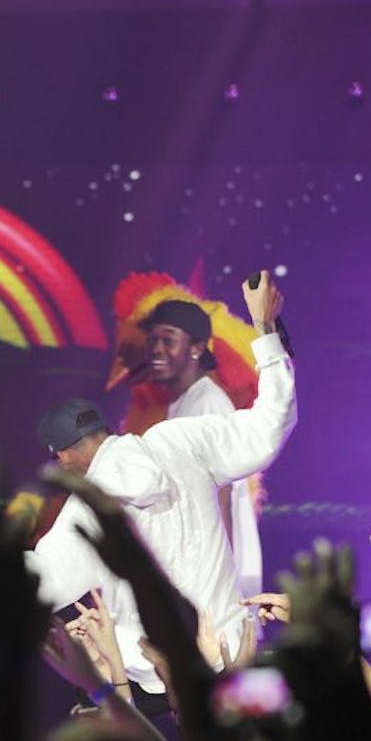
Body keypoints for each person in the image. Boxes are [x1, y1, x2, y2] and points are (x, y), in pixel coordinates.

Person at [26, 271, 294, 701]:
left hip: (161, 679)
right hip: (231, 652)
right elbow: (269, 426)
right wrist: (265, 332)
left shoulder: (94, 505)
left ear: (64, 456)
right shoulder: (180, 439)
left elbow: (43, 581)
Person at [142, 298, 264, 598]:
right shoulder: (183, 402)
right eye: (153, 340)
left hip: (213, 576)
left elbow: (220, 494)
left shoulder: (208, 403)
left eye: (168, 340)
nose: (157, 349)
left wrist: (223, 585)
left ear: (196, 348)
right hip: (196, 568)